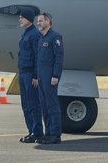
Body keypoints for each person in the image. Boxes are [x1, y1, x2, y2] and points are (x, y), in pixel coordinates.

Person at [33, 12, 64, 144]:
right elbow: (38, 60)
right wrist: (36, 76)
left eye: (41, 21)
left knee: (52, 106)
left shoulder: (55, 37)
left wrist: (55, 75)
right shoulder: (41, 38)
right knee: (44, 106)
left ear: (48, 22)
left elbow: (59, 58)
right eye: (38, 21)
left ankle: (56, 134)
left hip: (50, 77)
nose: (38, 23)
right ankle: (48, 133)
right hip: (41, 76)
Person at [17, 9, 43, 144]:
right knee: (26, 105)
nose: (20, 19)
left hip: (30, 74)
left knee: (33, 104)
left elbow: (38, 56)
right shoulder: (26, 34)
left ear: (28, 19)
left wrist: (35, 75)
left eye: (22, 17)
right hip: (22, 73)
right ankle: (31, 131)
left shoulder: (34, 35)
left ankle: (37, 132)